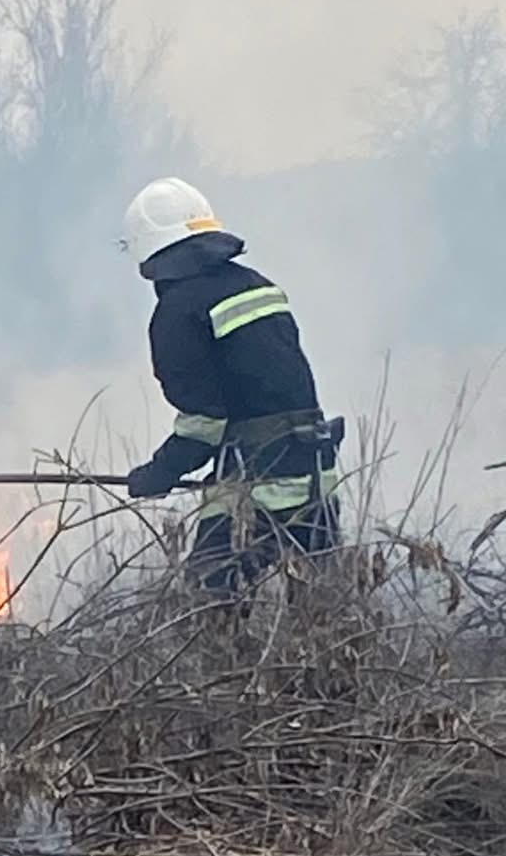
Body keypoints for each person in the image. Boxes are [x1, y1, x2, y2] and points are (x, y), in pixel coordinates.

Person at [119, 178, 342, 592]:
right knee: (322, 611)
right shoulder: (257, 284)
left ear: (148, 253)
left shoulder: (178, 311)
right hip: (316, 474)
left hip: (257, 487)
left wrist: (158, 472)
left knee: (210, 603)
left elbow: (204, 421)